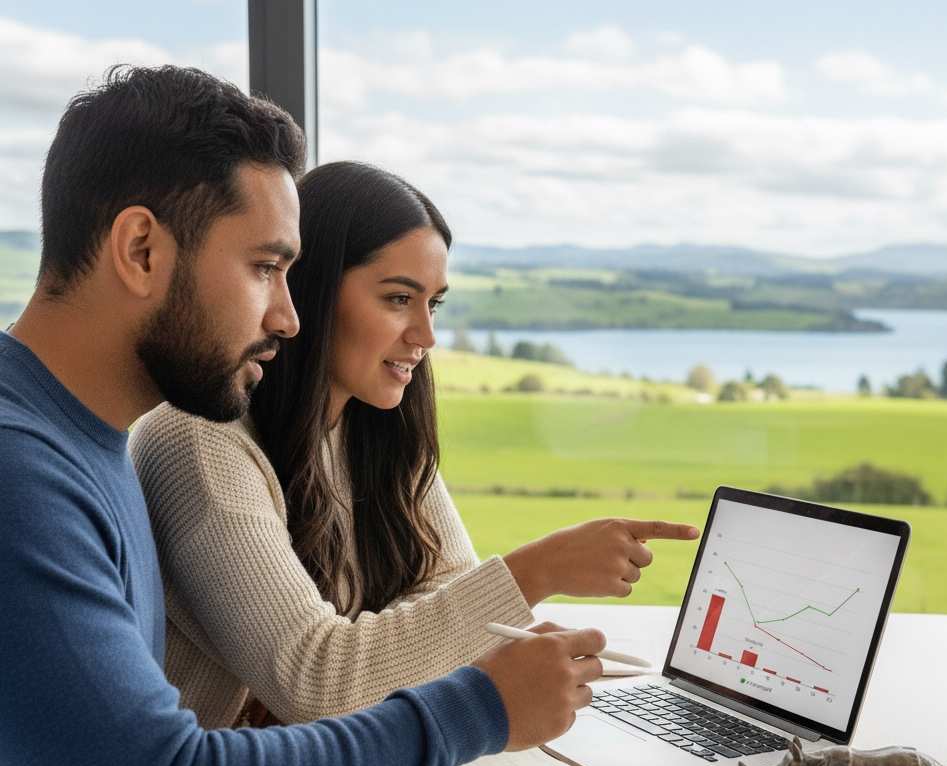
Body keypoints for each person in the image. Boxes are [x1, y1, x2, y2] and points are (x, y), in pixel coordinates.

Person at [0, 65, 605, 766]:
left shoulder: (85, 441)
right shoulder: (20, 475)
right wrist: (475, 711)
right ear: (140, 251)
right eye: (266, 270)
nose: (289, 317)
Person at [129, 161, 701, 729]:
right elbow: (319, 681)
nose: (426, 335)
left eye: (435, 303)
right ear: (312, 291)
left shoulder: (377, 430)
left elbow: (447, 585)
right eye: (399, 299)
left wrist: (388, 648)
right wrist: (539, 569)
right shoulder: (198, 443)